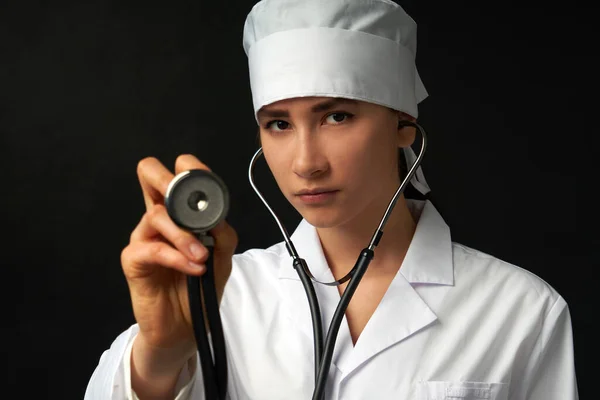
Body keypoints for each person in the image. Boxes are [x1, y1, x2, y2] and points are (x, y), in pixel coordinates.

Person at [84, 0, 579, 399]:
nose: (305, 163)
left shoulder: (521, 311)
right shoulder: (222, 296)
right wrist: (160, 355)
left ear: (404, 126)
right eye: (278, 124)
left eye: (337, 116)